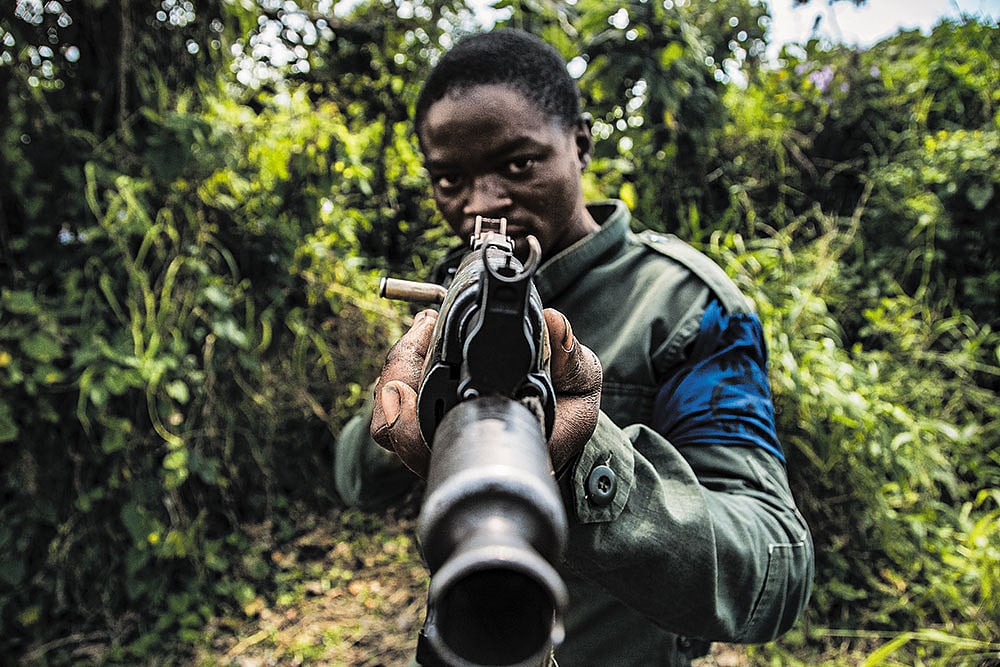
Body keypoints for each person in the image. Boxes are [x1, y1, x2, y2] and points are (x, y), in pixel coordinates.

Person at [334, 29, 814, 666]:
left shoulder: (686, 309)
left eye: (517, 165)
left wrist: (582, 458)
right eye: (449, 179)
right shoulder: (449, 294)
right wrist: (415, 406)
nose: (483, 206)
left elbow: (773, 571)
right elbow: (352, 479)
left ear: (580, 143)